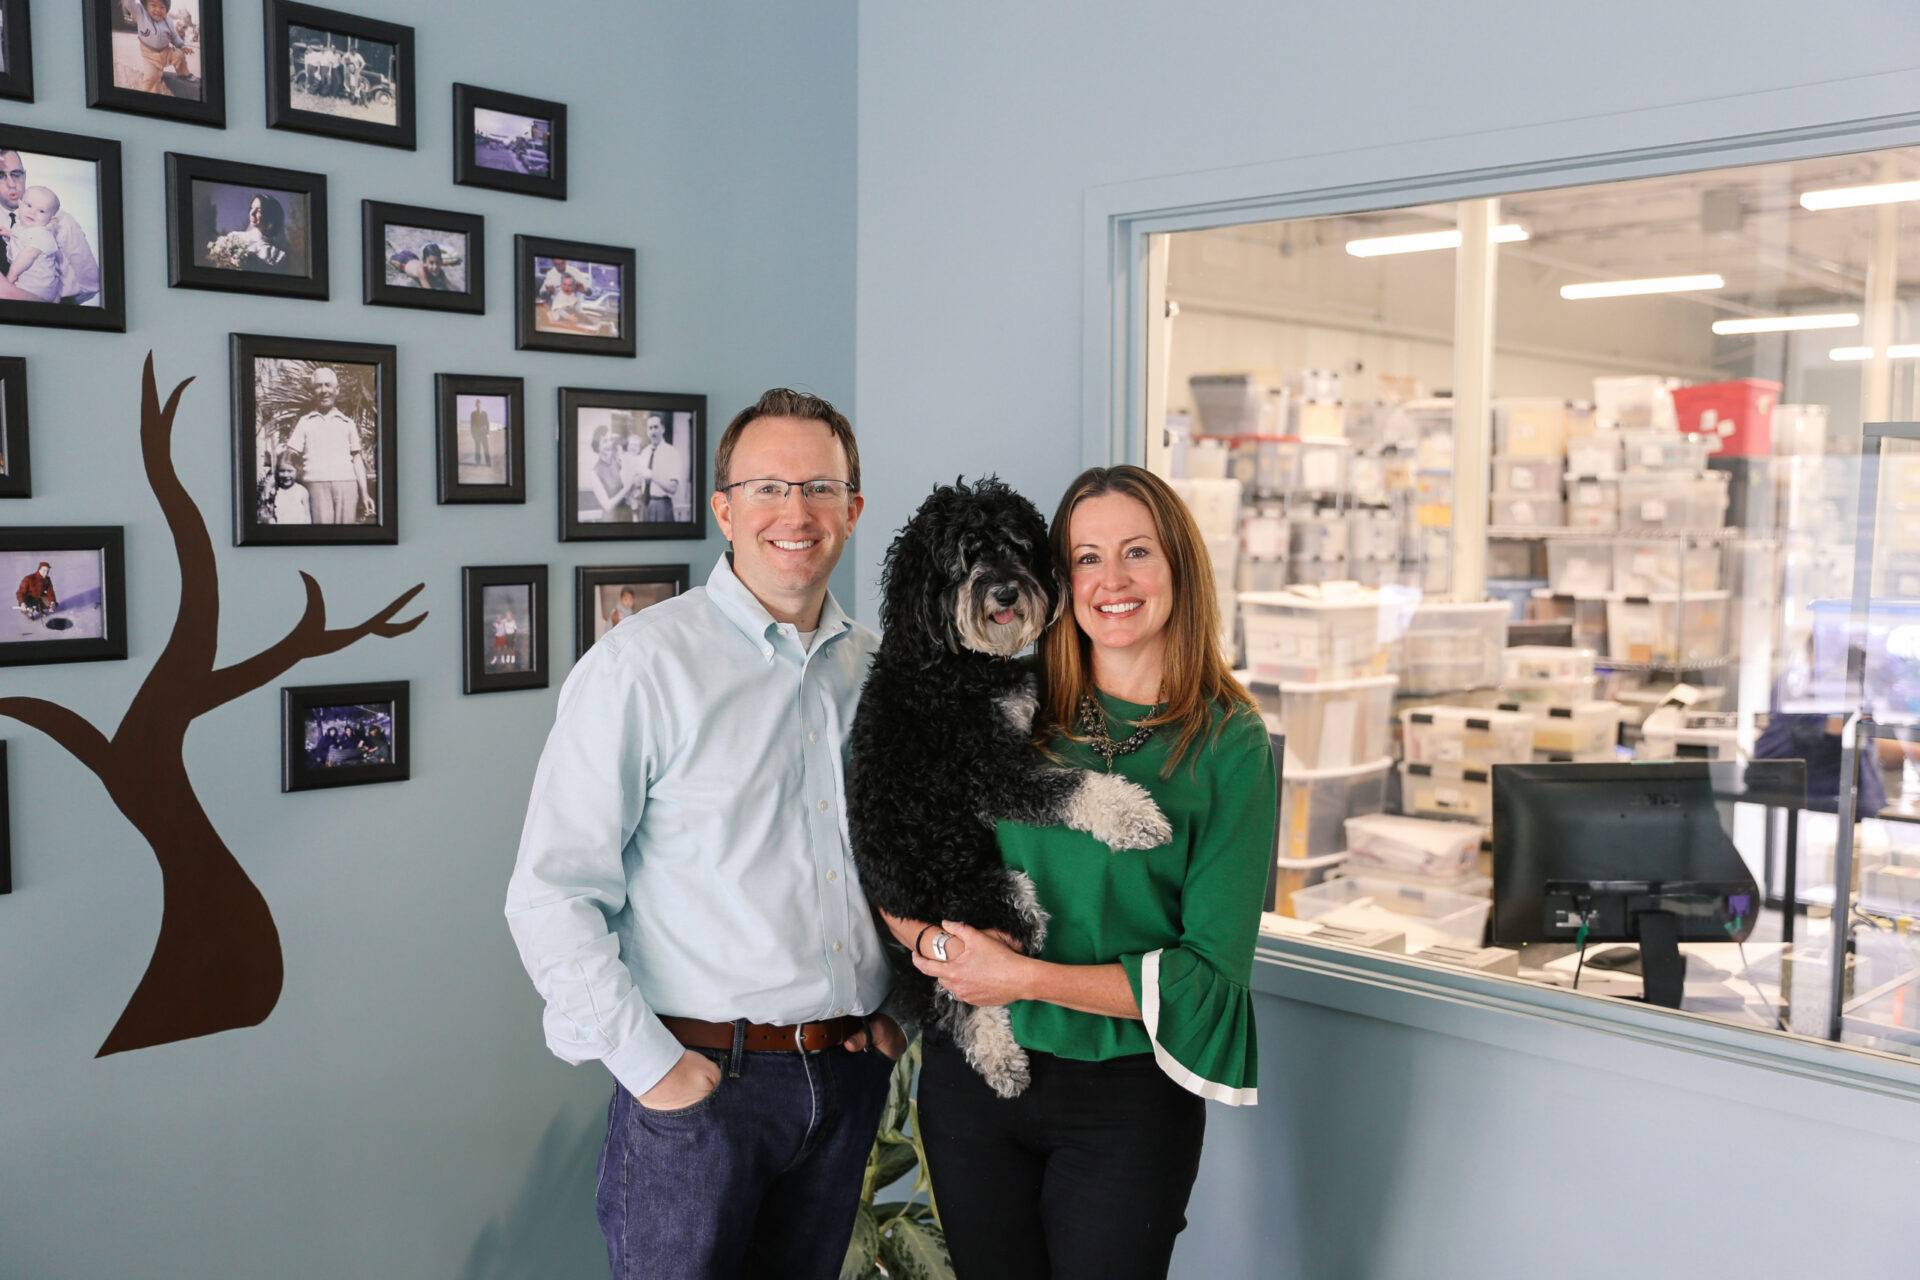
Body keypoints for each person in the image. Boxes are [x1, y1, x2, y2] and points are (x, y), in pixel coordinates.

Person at [506, 388, 904, 1280]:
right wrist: (656, 1071)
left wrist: (896, 1016)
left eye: (821, 488)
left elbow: (908, 857)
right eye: (768, 488)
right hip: (702, 1086)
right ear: (724, 510)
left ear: (853, 510)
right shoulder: (641, 666)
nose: (796, 513)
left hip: (845, 1078)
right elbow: (551, 896)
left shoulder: (878, 672)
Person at [886, 464, 1275, 1280]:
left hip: (1127, 1100)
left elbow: (1209, 978)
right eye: (1087, 558)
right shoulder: (1000, 704)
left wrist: (1022, 978)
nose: (1112, 581)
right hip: (974, 1077)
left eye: (1137, 552)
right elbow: (895, 856)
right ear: (1058, 580)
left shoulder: (1228, 742)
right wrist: (939, 949)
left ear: (1179, 567)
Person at [0, 149, 103, 305]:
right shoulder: (10, 228)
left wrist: (54, 305)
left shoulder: (63, 222)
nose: (11, 184)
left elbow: (90, 284)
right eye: (0, 175)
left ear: (24, 175)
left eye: (16, 174)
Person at [282, 366, 372, 525]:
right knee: (322, 535)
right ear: (313, 391)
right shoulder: (305, 422)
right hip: (316, 486)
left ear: (337, 390)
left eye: (328, 385)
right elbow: (289, 456)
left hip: (347, 485)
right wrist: (275, 482)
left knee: (347, 535)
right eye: (318, 386)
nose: (324, 390)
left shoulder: (347, 423)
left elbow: (357, 460)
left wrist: (364, 494)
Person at [1, 186, 64, 303]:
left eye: (41, 211)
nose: (32, 212)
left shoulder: (42, 234)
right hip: (34, 281)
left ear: (51, 220)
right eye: (29, 205)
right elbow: (22, 240)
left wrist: (12, 274)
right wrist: (9, 234)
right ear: (20, 204)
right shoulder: (23, 226)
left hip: (36, 286)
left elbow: (28, 255)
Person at [120, 0, 193, 96]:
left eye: (162, 7)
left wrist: (182, 46)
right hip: (149, 56)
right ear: (146, 6)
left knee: (179, 55)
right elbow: (129, 3)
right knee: (151, 77)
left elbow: (174, 36)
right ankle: (151, 97)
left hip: (166, 52)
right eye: (153, 5)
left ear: (166, 9)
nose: (158, 10)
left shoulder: (168, 21)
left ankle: (183, 74)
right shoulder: (140, 13)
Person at [624, 412, 684, 523]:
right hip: (645, 505)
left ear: (663, 429)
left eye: (656, 427)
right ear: (647, 431)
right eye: (650, 428)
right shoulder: (644, 453)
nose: (653, 431)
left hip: (662, 505)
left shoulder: (672, 453)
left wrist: (652, 475)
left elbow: (673, 488)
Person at [227, 193, 293, 273]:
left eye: (259, 210)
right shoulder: (235, 238)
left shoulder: (277, 255)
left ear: (270, 216)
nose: (252, 213)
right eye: (251, 208)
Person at [583, 423, 635, 522]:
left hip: (627, 515)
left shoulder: (617, 461)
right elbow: (607, 506)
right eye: (604, 441)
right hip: (611, 519)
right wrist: (626, 490)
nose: (609, 444)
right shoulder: (595, 473)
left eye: (610, 440)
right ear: (597, 446)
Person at [257, 453, 312, 525]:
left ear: (297, 470)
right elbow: (267, 514)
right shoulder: (274, 491)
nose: (286, 475)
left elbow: (307, 516)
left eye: (290, 471)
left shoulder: (302, 491)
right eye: (282, 471)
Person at [466, 398, 491, 466]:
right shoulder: (473, 414)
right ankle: (478, 462)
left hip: (484, 433)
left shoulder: (484, 413)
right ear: (476, 405)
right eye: (477, 405)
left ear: (481, 405)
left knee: (486, 448)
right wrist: (473, 434)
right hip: (477, 433)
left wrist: (488, 433)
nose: (478, 406)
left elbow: (487, 424)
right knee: (477, 448)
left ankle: (488, 462)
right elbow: (472, 424)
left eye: (479, 404)